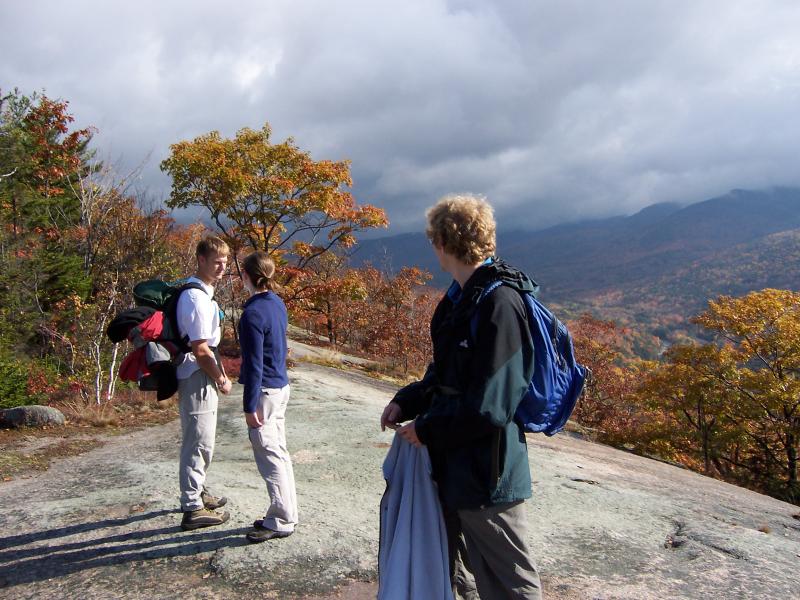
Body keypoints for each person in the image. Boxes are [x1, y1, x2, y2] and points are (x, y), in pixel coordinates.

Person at [380, 195, 543, 599]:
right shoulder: (459, 298)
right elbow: (445, 375)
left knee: (510, 582)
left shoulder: (499, 304)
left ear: (442, 242)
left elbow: (494, 403)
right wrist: (408, 400)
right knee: (455, 574)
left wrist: (429, 428)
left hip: (489, 473)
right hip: (454, 467)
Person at [238, 251, 298, 543]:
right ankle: (286, 513)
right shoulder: (276, 303)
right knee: (280, 453)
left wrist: (249, 406)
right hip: (281, 387)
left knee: (270, 455)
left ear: (246, 276)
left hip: (265, 392)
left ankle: (281, 519)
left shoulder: (251, 313)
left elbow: (252, 364)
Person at [176, 235, 233, 531]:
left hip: (197, 373)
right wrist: (221, 377)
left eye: (225, 261)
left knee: (201, 438)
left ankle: (198, 492)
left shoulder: (203, 292)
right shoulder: (196, 298)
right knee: (199, 441)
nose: (222, 267)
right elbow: (200, 349)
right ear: (201, 260)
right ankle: (192, 507)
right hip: (196, 374)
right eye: (216, 262)